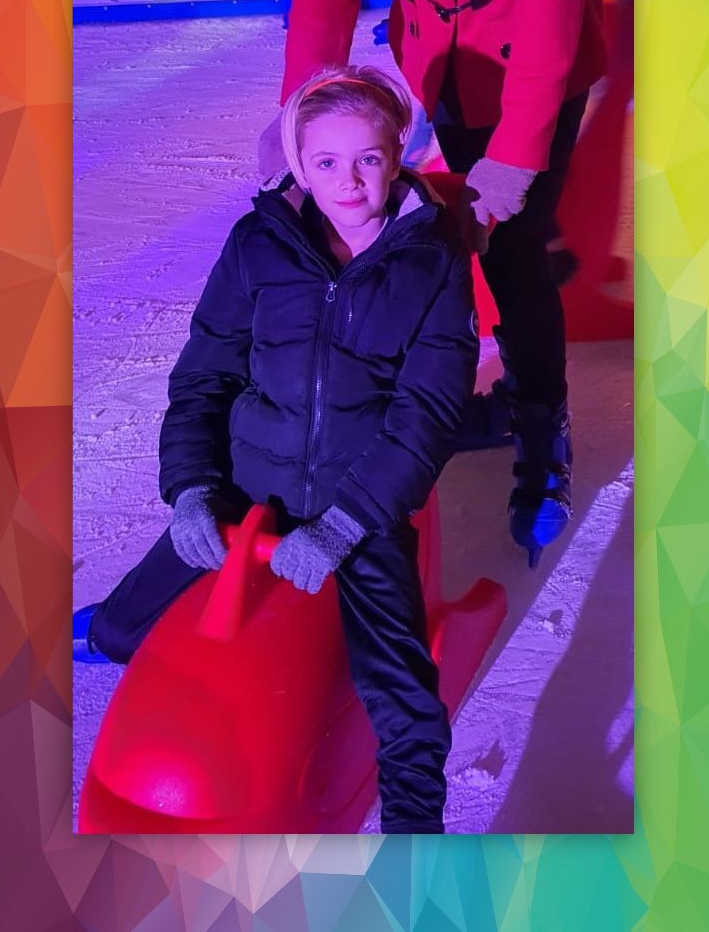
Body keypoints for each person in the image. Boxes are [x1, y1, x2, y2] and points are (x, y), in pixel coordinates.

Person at [259, 0, 608, 568]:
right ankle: (440, 400)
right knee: (440, 238)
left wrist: (518, 151)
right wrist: (307, 108)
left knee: (516, 239)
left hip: (534, 62)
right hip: (438, 60)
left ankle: (541, 424)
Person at [74, 65, 479, 835]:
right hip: (245, 485)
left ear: (397, 152)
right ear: (298, 163)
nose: (348, 180)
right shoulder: (259, 244)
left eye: (366, 157)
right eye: (325, 161)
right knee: (124, 634)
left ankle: (417, 852)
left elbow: (425, 412)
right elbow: (205, 372)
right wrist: (193, 487)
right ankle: (115, 620)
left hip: (356, 507)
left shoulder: (433, 260)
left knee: (404, 706)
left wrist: (344, 524)